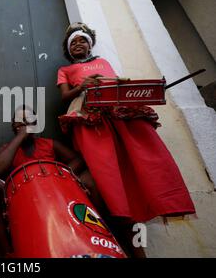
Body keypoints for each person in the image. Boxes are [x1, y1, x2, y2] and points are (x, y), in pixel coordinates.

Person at [56, 22, 196, 257]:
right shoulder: (65, 70)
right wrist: (83, 85)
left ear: (90, 45)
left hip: (116, 113)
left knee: (134, 165)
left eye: (82, 40)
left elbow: (117, 83)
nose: (78, 45)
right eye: (73, 43)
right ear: (68, 50)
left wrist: (118, 83)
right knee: (104, 173)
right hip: (88, 114)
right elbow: (65, 96)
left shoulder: (104, 63)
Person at [0, 106, 90, 256]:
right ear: (14, 126)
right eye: (20, 122)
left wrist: (57, 173)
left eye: (29, 121)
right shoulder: (8, 148)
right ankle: (7, 249)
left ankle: (93, 234)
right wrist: (21, 136)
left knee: (89, 177)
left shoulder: (49, 144)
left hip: (52, 193)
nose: (25, 124)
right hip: (20, 195)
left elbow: (78, 159)